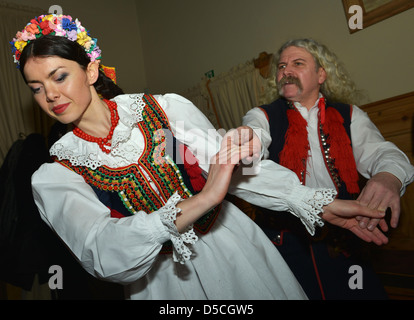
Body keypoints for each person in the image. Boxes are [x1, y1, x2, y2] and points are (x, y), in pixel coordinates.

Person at [10, 15, 387, 300]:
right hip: (164, 285)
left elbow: (237, 173)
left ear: (90, 70)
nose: (51, 96)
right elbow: (101, 250)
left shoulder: (161, 112)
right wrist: (203, 199)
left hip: (233, 248)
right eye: (37, 88)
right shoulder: (58, 174)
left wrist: (318, 203)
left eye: (59, 77)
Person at [239, 38, 414, 299]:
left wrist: (389, 176)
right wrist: (246, 145)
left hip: (346, 238)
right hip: (286, 243)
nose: (286, 71)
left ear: (321, 74)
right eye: (282, 66)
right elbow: (250, 148)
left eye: (298, 63)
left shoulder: (349, 114)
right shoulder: (262, 115)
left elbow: (382, 152)